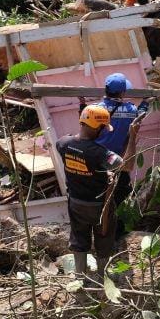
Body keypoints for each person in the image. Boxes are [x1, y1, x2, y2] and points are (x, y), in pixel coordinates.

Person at [55, 105, 139, 283]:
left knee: (79, 237)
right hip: (99, 206)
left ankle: (80, 277)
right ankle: (102, 277)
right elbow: (128, 165)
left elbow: (80, 161)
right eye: (102, 128)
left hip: (76, 203)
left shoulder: (63, 143)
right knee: (104, 238)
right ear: (97, 127)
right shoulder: (100, 153)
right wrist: (132, 136)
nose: (103, 133)